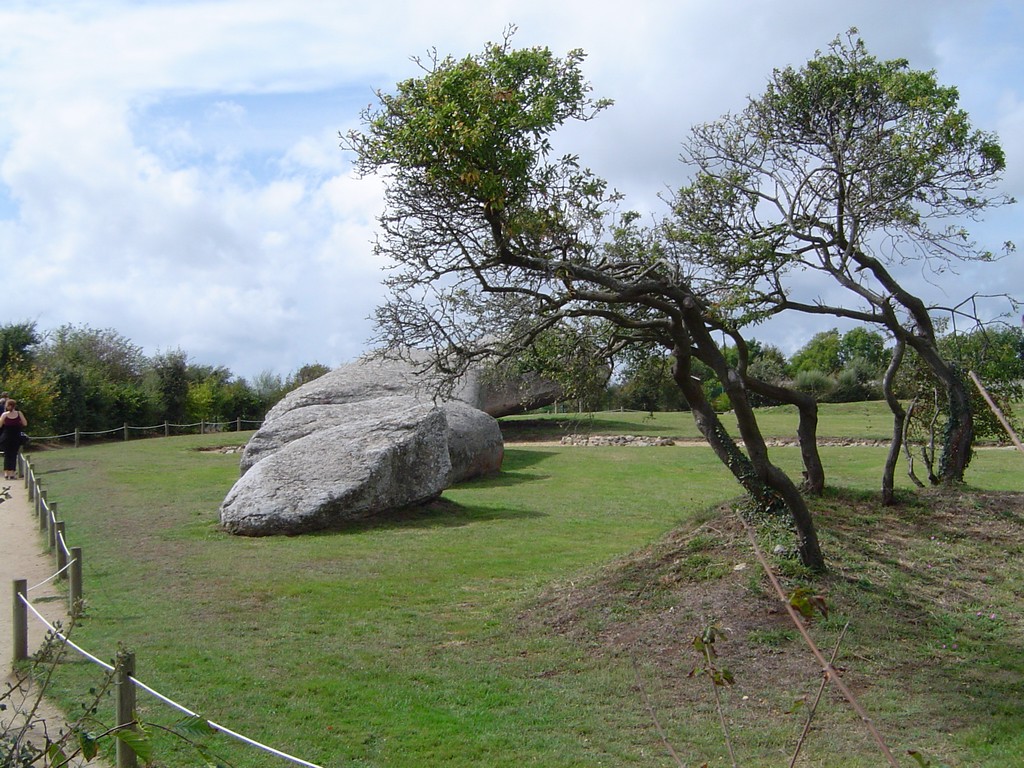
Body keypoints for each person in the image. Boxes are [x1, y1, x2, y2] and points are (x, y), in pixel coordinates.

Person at [0, 398, 27, 480]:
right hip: (16, 436)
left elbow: (0, 425)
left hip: (6, 436)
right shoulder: (19, 413)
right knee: (13, 455)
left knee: (7, 455)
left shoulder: (4, 415)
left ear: (8, 406)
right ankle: (12, 473)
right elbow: (25, 423)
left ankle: (6, 472)